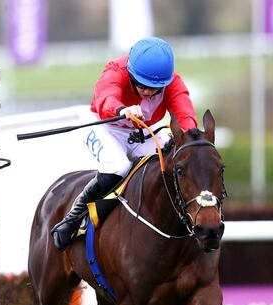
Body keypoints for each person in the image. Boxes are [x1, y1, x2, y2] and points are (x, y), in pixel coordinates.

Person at [51, 36, 198, 251]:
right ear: (131, 73)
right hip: (105, 126)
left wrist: (191, 137)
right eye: (142, 85)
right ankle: (73, 218)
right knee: (118, 167)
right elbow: (106, 97)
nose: (148, 92)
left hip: (142, 133)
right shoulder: (115, 70)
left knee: (172, 162)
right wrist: (122, 110)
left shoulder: (173, 82)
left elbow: (185, 115)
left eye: (155, 88)